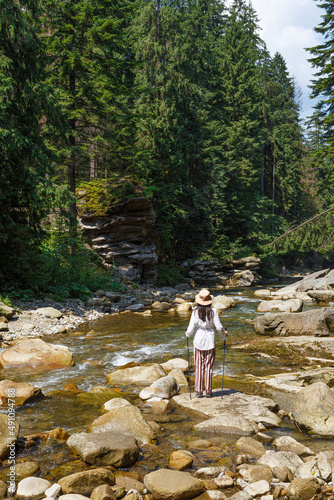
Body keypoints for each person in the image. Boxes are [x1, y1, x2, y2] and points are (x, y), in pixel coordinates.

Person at [185, 289, 228, 398]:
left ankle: (199, 391)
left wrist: (187, 334)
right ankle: (208, 391)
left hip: (198, 340)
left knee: (198, 366)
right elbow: (219, 327)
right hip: (210, 340)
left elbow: (190, 328)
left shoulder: (195, 311)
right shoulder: (213, 311)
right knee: (209, 366)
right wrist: (224, 334)